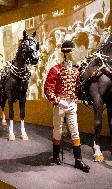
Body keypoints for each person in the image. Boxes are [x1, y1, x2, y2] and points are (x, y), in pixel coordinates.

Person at [44, 40, 90, 172]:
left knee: (75, 130)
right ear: (67, 53)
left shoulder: (76, 70)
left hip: (71, 104)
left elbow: (76, 87)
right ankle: (56, 155)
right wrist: (57, 100)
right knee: (58, 130)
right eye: (72, 51)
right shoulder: (55, 70)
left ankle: (78, 159)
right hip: (60, 104)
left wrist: (75, 98)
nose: (74, 53)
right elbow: (48, 88)